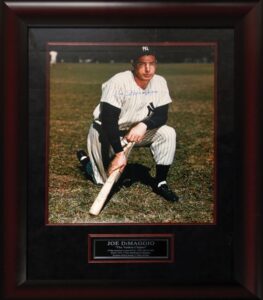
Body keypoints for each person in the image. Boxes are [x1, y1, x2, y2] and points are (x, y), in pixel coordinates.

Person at [77, 46, 179, 202]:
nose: (147, 69)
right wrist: (119, 154)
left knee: (167, 133)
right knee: (104, 181)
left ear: (156, 64)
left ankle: (160, 182)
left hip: (135, 132)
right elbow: (108, 121)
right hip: (106, 132)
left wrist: (144, 124)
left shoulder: (159, 82)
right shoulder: (119, 81)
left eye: (151, 63)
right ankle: (87, 163)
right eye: (142, 63)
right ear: (133, 64)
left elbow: (162, 115)